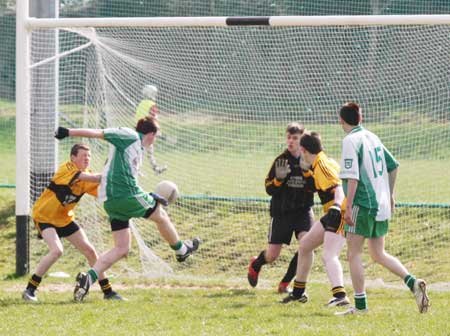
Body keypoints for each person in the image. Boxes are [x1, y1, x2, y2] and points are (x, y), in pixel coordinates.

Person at [54, 117, 201, 302]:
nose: (154, 141)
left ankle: (88, 278)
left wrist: (146, 195)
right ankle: (181, 250)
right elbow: (99, 133)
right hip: (123, 195)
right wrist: (68, 132)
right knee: (160, 214)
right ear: (151, 134)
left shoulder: (136, 149)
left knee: (122, 248)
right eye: (156, 137)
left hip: (112, 200)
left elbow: (117, 175)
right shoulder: (129, 135)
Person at [337, 102, 429, 314]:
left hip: (363, 203)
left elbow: (352, 178)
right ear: (361, 118)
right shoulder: (372, 137)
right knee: (378, 253)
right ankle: (413, 283)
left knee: (354, 254)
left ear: (341, 120)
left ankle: (360, 307)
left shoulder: (351, 140)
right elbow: (393, 165)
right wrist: (391, 194)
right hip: (381, 204)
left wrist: (348, 207)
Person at [22, 144, 124, 302]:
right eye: (83, 155)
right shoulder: (67, 168)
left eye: (88, 156)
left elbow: (103, 191)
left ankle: (108, 292)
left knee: (90, 251)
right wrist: (106, 174)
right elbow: (89, 178)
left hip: (65, 219)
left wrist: (118, 180)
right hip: (44, 216)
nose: (87, 159)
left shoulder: (88, 175)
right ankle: (30, 290)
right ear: (73, 158)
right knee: (57, 251)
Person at [281, 132, 350, 307]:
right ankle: (298, 293)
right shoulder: (321, 162)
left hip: (339, 213)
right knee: (305, 246)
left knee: (329, 255)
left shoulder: (322, 166)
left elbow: (339, 187)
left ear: (303, 150)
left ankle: (340, 296)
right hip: (332, 213)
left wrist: (336, 206)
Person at [247, 122, 314, 293]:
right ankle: (256, 264)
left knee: (307, 245)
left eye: (295, 138)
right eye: (288, 137)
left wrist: (308, 173)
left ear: (302, 140)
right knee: (272, 256)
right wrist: (279, 179)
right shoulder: (281, 160)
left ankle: (285, 283)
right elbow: (269, 189)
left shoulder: (309, 159)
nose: (291, 141)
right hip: (282, 212)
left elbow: (316, 187)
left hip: (303, 211)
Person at [135, 84, 167, 175]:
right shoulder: (152, 105)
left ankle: (155, 168)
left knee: (148, 150)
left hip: (139, 129)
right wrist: (158, 131)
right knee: (144, 150)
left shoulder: (141, 103)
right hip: (147, 131)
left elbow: (138, 116)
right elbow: (153, 119)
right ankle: (137, 169)